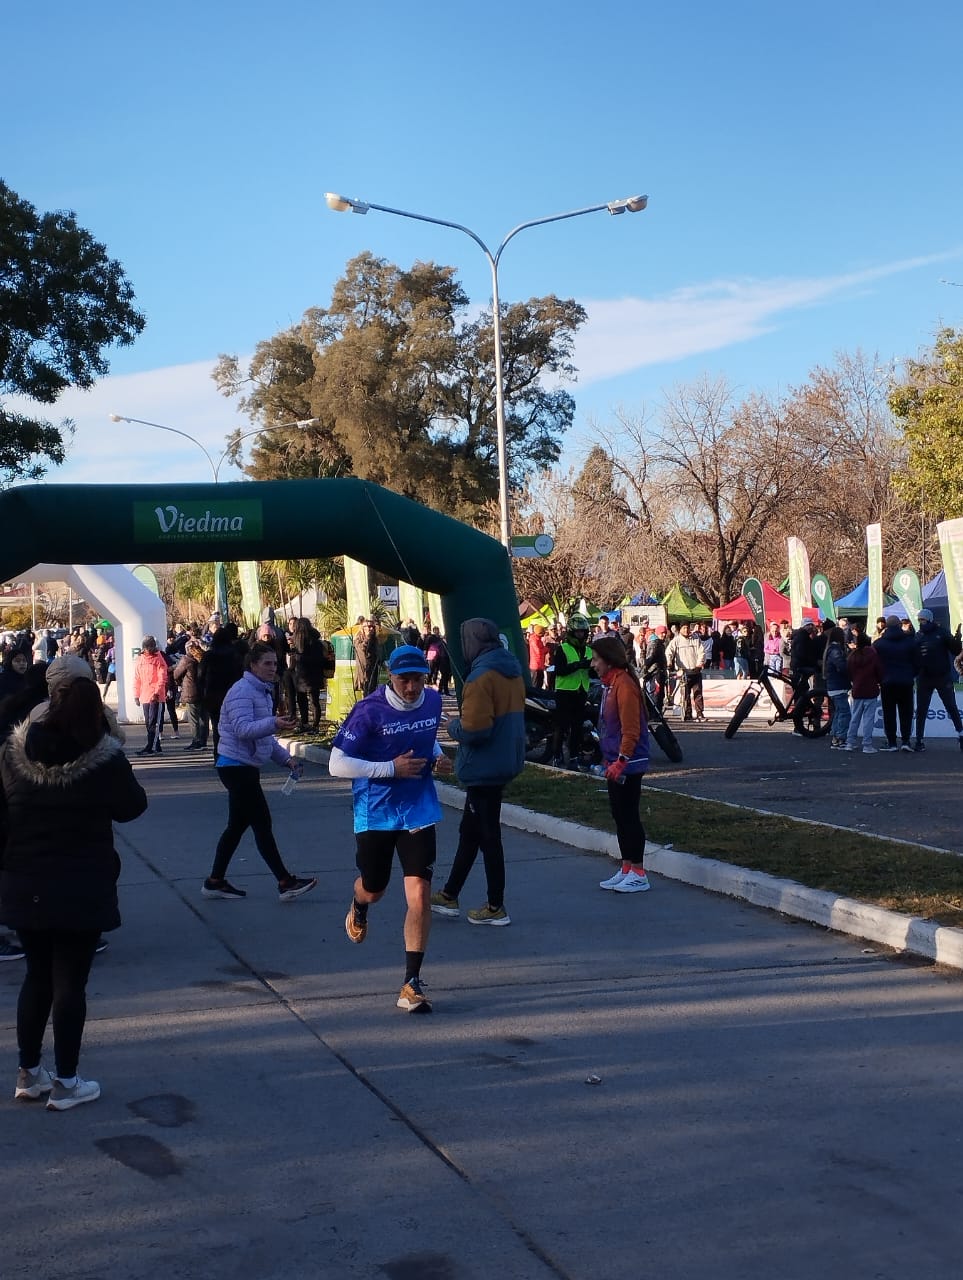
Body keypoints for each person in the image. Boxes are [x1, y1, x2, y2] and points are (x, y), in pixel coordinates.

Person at [1, 678, 147, 1109]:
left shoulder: (12, 756)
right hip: (82, 885)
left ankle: (28, 1073)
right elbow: (133, 807)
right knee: (70, 984)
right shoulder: (104, 761)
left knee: (37, 976)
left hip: (25, 882)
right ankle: (66, 1081)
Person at [329, 645, 453, 1013]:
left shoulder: (432, 702)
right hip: (376, 812)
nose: (412, 687)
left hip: (418, 808)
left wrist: (438, 756)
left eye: (418, 679)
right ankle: (359, 904)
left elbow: (425, 736)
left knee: (419, 894)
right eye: (404, 680)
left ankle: (411, 983)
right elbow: (337, 764)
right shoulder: (368, 711)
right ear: (390, 676)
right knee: (375, 888)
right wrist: (389, 769)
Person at [202, 642, 316, 903]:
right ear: (252, 665)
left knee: (236, 827)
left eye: (275, 663)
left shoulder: (262, 691)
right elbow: (243, 729)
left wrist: (287, 760)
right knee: (262, 824)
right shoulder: (242, 691)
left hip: (244, 767)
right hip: (235, 767)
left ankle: (215, 881)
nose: (272, 668)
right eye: (267, 663)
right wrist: (273, 722)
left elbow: (265, 737)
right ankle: (285, 882)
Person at [430, 618, 525, 927]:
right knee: (470, 833)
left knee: (487, 836)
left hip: (482, 766)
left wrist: (452, 726)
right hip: (502, 761)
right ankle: (449, 894)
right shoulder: (511, 671)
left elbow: (476, 729)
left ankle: (496, 905)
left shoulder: (480, 677)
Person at [590, 636, 651, 893]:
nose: (593, 664)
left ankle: (639, 871)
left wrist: (622, 760)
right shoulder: (610, 685)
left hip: (628, 763)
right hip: (614, 760)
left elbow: (631, 729)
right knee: (619, 815)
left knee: (629, 816)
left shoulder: (624, 685)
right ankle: (626, 867)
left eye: (596, 659)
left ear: (608, 659)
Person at [912, 607, 963, 752]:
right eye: (920, 620)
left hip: (942, 676)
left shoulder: (941, 633)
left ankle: (961, 734)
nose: (922, 622)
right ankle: (919, 740)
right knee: (921, 709)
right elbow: (914, 656)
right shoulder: (918, 635)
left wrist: (957, 639)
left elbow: (955, 650)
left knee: (951, 707)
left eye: (924, 619)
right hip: (924, 677)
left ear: (930, 619)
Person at [551, 615, 593, 768]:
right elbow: (559, 670)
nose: (581, 635)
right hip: (565, 691)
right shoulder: (563, 648)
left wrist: (593, 668)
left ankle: (574, 756)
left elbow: (592, 673)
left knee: (577, 726)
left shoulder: (589, 650)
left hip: (581, 691)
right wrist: (577, 665)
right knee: (561, 725)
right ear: (571, 632)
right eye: (578, 632)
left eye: (583, 632)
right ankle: (557, 755)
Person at [873, 616, 918, 752]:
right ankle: (906, 740)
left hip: (887, 682)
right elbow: (918, 662)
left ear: (886, 625)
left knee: (889, 712)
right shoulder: (910, 642)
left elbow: (874, 663)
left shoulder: (879, 643)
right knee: (906, 712)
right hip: (906, 681)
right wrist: (911, 674)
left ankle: (891, 742)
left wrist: (879, 678)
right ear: (899, 625)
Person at [844, 633, 883, 753]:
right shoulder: (873, 655)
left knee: (855, 717)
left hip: (857, 689)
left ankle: (850, 742)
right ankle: (867, 744)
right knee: (868, 718)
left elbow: (848, 672)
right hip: (871, 689)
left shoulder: (852, 656)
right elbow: (879, 671)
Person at [132, 635, 169, 755]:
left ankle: (151, 747)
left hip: (156, 696)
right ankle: (154, 746)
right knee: (148, 722)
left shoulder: (159, 659)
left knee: (154, 722)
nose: (150, 649)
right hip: (145, 695)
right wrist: (136, 695)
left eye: (152, 646)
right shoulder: (140, 660)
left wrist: (157, 692)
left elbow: (162, 677)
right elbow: (137, 679)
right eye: (148, 647)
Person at [665, 622, 706, 721]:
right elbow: (669, 652)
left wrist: (699, 664)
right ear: (680, 629)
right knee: (685, 695)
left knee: (698, 693)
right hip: (684, 672)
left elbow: (702, 652)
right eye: (684, 628)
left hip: (695, 670)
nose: (686, 630)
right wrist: (669, 663)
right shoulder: (676, 641)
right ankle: (687, 713)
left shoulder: (696, 639)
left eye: (687, 628)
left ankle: (700, 713)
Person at [173, 639, 209, 750]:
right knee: (204, 717)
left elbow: (176, 674)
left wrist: (179, 683)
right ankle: (203, 741)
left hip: (191, 692)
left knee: (194, 719)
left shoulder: (186, 659)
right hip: (204, 691)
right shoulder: (204, 658)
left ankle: (196, 741)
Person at [822, 626, 852, 748]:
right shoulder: (835, 650)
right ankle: (840, 738)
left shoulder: (830, 649)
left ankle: (835, 737)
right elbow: (841, 666)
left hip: (834, 685)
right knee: (845, 712)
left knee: (838, 712)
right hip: (838, 684)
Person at [353, 618, 381, 697]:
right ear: (363, 628)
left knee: (372, 692)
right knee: (366, 692)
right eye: (369, 626)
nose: (371, 628)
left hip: (373, 670)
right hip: (363, 671)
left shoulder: (375, 640)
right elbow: (362, 649)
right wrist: (367, 638)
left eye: (372, 626)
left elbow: (377, 655)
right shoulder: (358, 638)